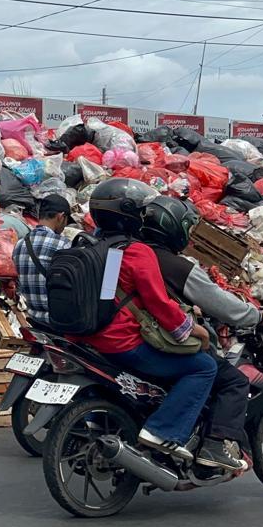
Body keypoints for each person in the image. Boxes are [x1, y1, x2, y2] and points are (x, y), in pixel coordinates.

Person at [80, 179, 226, 468]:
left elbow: (110, 296)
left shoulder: (101, 248)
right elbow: (159, 304)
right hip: (123, 344)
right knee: (204, 367)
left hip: (92, 339)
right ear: (130, 216)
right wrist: (192, 329)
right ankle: (163, 431)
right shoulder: (135, 252)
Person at [141, 196, 263, 472]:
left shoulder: (123, 253)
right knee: (227, 378)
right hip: (156, 341)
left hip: (121, 338)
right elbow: (216, 303)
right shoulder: (176, 265)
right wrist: (254, 315)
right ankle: (215, 444)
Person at [12, 194, 73, 326]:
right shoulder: (63, 245)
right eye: (66, 220)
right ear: (61, 217)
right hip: (58, 322)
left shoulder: (19, 245)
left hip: (34, 320)